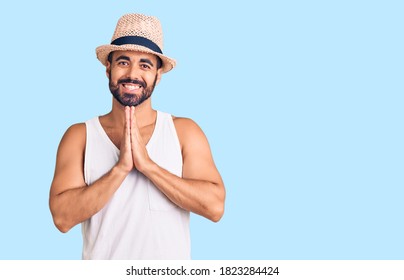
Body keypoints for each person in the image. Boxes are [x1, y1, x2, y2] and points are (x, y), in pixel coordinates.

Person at [49, 13, 225, 260]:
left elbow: (215, 207)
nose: (133, 74)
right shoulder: (80, 136)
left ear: (158, 74)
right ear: (108, 68)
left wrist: (149, 167)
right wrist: (120, 169)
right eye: (123, 62)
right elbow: (62, 218)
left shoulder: (184, 132)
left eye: (145, 65)